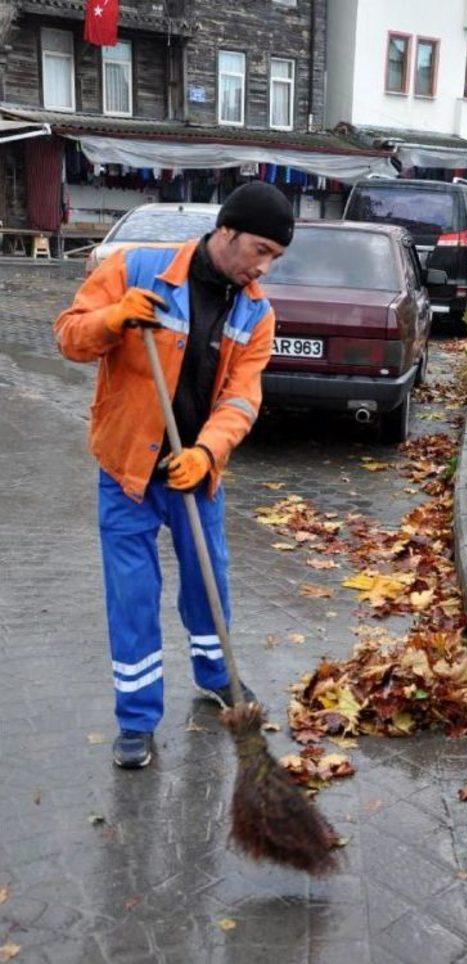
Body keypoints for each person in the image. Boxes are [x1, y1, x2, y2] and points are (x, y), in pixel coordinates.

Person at [54, 182, 294, 769]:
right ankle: (136, 719)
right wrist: (113, 317)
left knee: (208, 585)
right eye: (260, 250)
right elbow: (69, 337)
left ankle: (217, 679)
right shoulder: (138, 268)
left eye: (275, 258)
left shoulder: (255, 311)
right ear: (228, 231)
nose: (262, 267)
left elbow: (242, 399)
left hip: (194, 473)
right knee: (133, 597)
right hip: (128, 470)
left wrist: (208, 454)